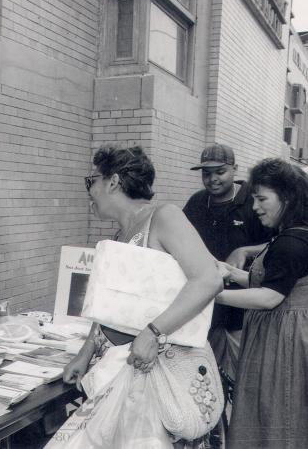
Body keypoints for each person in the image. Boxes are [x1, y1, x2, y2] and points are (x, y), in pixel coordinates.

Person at [58, 145, 222, 447]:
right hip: (124, 370)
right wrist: (85, 352)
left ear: (113, 181)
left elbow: (208, 279)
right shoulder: (121, 235)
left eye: (91, 181)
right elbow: (111, 308)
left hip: (155, 369)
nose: (89, 191)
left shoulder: (164, 217)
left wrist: (153, 331)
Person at [217, 158, 308, 448]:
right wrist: (230, 272)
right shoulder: (289, 236)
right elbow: (270, 283)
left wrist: (209, 294)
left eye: (261, 199)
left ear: (288, 197)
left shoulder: (291, 242)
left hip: (284, 344)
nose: (255, 207)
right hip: (278, 337)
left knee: (277, 411)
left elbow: (270, 297)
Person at [183, 143, 270, 392]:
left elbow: (281, 242)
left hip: (243, 312)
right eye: (206, 173)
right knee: (203, 383)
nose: (212, 179)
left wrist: (244, 250)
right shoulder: (197, 203)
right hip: (204, 308)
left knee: (243, 384)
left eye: (219, 172)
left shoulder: (253, 201)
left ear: (235, 169)